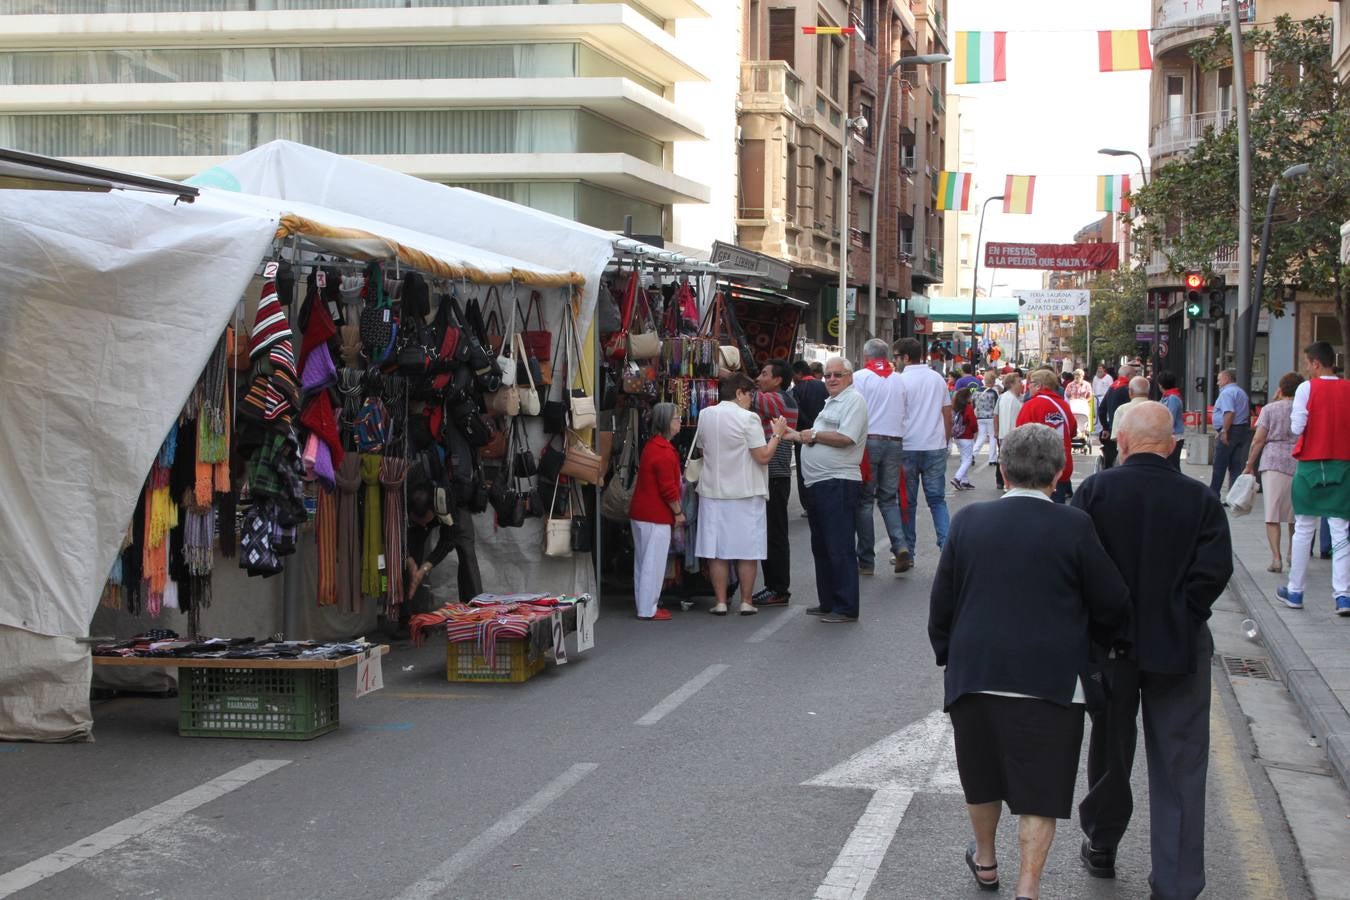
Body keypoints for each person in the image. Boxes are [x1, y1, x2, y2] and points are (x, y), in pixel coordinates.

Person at [929, 424, 1130, 900]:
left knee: (981, 779)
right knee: (1041, 787)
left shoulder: (968, 522)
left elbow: (943, 605)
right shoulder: (1075, 525)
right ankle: (1028, 886)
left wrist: (950, 656)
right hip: (1052, 679)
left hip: (976, 674)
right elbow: (1112, 602)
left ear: (1002, 469)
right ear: (1060, 474)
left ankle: (986, 861)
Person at [1073, 403, 1232, 900]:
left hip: (1109, 646)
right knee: (1181, 763)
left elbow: (1076, 568)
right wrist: (1183, 613)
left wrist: (1103, 621)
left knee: (1110, 749)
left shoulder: (1095, 492)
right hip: (1179, 643)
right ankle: (1177, 882)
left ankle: (1102, 842)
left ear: (1120, 443)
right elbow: (1213, 571)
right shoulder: (1199, 498)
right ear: (1172, 445)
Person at [692, 373, 787, 616]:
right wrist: (777, 434)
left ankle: (721, 601)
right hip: (746, 492)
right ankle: (746, 601)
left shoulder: (706, 415)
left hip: (713, 491)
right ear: (739, 393)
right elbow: (763, 456)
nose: (751, 400)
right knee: (747, 550)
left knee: (717, 551)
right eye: (750, 394)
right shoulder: (749, 419)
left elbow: (703, 449)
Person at [789, 356, 869, 623]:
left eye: (837, 374)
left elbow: (846, 438)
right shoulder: (830, 403)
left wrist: (811, 435)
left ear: (850, 377)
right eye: (828, 375)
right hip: (819, 482)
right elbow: (816, 435)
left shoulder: (853, 400)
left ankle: (845, 607)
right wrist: (795, 434)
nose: (832, 379)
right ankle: (829, 602)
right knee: (822, 546)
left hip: (838, 481)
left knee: (839, 545)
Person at [1278, 342, 1350, 615]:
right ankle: (1343, 596)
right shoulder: (1348, 388)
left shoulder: (1306, 389)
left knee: (1304, 528)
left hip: (1311, 464)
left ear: (1317, 363)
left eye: (1308, 363)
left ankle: (1295, 590)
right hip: (1343, 464)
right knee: (1341, 530)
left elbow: (1297, 427)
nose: (1307, 368)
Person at [852, 339, 908, 578]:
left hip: (870, 440)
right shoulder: (899, 380)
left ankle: (866, 560)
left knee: (865, 502)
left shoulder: (860, 377)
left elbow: (856, 410)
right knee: (888, 499)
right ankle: (900, 545)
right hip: (894, 442)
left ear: (866, 356)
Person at [895, 337, 953, 569]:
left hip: (907, 446)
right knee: (937, 501)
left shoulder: (899, 381)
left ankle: (907, 552)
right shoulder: (936, 379)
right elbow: (947, 413)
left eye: (897, 356)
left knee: (907, 503)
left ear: (906, 357)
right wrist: (945, 440)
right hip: (934, 446)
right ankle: (947, 548)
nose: (895, 361)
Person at [628, 402, 685, 620]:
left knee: (643, 562)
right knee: (653, 563)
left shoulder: (653, 446)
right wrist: (678, 512)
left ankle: (645, 604)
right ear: (666, 423)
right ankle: (647, 608)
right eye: (676, 418)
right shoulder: (664, 451)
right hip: (655, 515)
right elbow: (668, 489)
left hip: (643, 513)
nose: (679, 422)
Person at [1242, 372, 1303, 573]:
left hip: (1273, 461)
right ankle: (1292, 554)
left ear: (1281, 388)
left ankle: (1276, 558)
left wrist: (1250, 463)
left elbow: (1258, 439)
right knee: (1296, 514)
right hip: (1298, 460)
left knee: (1272, 512)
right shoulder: (1305, 409)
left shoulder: (1270, 409)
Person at [750, 359, 799, 606]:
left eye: (763, 374)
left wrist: (730, 374)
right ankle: (774, 586)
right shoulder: (776, 400)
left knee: (775, 535)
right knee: (768, 533)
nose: (759, 378)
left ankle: (779, 589)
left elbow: (749, 395)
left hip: (775, 476)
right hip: (770, 476)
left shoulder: (780, 400)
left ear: (778, 380)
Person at [1016, 368, 1076, 503]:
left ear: (1039, 385)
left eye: (1030, 383)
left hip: (1035, 470)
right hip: (1060, 468)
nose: (1028, 386)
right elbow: (1072, 431)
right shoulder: (1063, 405)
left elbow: (1019, 437)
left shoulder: (1030, 406)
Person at [792, 360, 829, 517]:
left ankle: (809, 506)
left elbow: (797, 413)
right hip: (824, 436)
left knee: (804, 472)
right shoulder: (824, 386)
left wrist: (809, 428)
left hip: (803, 437)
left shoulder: (796, 390)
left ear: (799, 373)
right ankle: (824, 502)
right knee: (823, 469)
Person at [1209, 367, 1252, 498]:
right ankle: (1234, 496)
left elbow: (1229, 412)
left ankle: (1213, 495)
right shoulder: (1241, 392)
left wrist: (1224, 430)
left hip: (1231, 430)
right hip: (1241, 430)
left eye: (1219, 380)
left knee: (1219, 465)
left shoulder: (1227, 393)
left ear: (1227, 378)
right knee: (1235, 465)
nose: (1217, 383)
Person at [1097, 363, 1136, 470]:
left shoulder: (1112, 387)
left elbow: (1101, 410)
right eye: (1134, 374)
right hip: (1127, 430)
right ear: (1129, 376)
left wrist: (1105, 427)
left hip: (1112, 430)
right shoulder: (1129, 390)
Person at [993, 371, 1023, 491]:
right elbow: (999, 415)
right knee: (1010, 460)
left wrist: (997, 431)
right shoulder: (1011, 399)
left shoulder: (1004, 397)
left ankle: (1006, 482)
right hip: (1011, 434)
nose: (1021, 384)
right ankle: (1009, 483)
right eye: (1019, 382)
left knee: (1004, 459)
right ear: (1011, 384)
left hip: (1005, 434)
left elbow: (996, 415)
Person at [950, 387, 978, 491]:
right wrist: (975, 430)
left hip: (958, 436)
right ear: (967, 397)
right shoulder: (968, 407)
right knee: (968, 460)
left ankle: (964, 481)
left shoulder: (956, 407)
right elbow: (972, 422)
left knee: (964, 458)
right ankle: (957, 478)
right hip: (967, 436)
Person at [971, 371, 1000, 468]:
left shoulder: (977, 391)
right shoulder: (993, 392)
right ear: (993, 381)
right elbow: (997, 406)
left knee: (981, 437)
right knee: (992, 437)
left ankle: (972, 455)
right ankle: (992, 459)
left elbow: (973, 404)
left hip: (980, 417)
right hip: (991, 417)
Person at [1157, 371, 1186, 469]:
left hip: (1174, 436)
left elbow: (1169, 417)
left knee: (1173, 465)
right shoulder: (1168, 396)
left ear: (1161, 385)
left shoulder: (1172, 398)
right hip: (1169, 435)